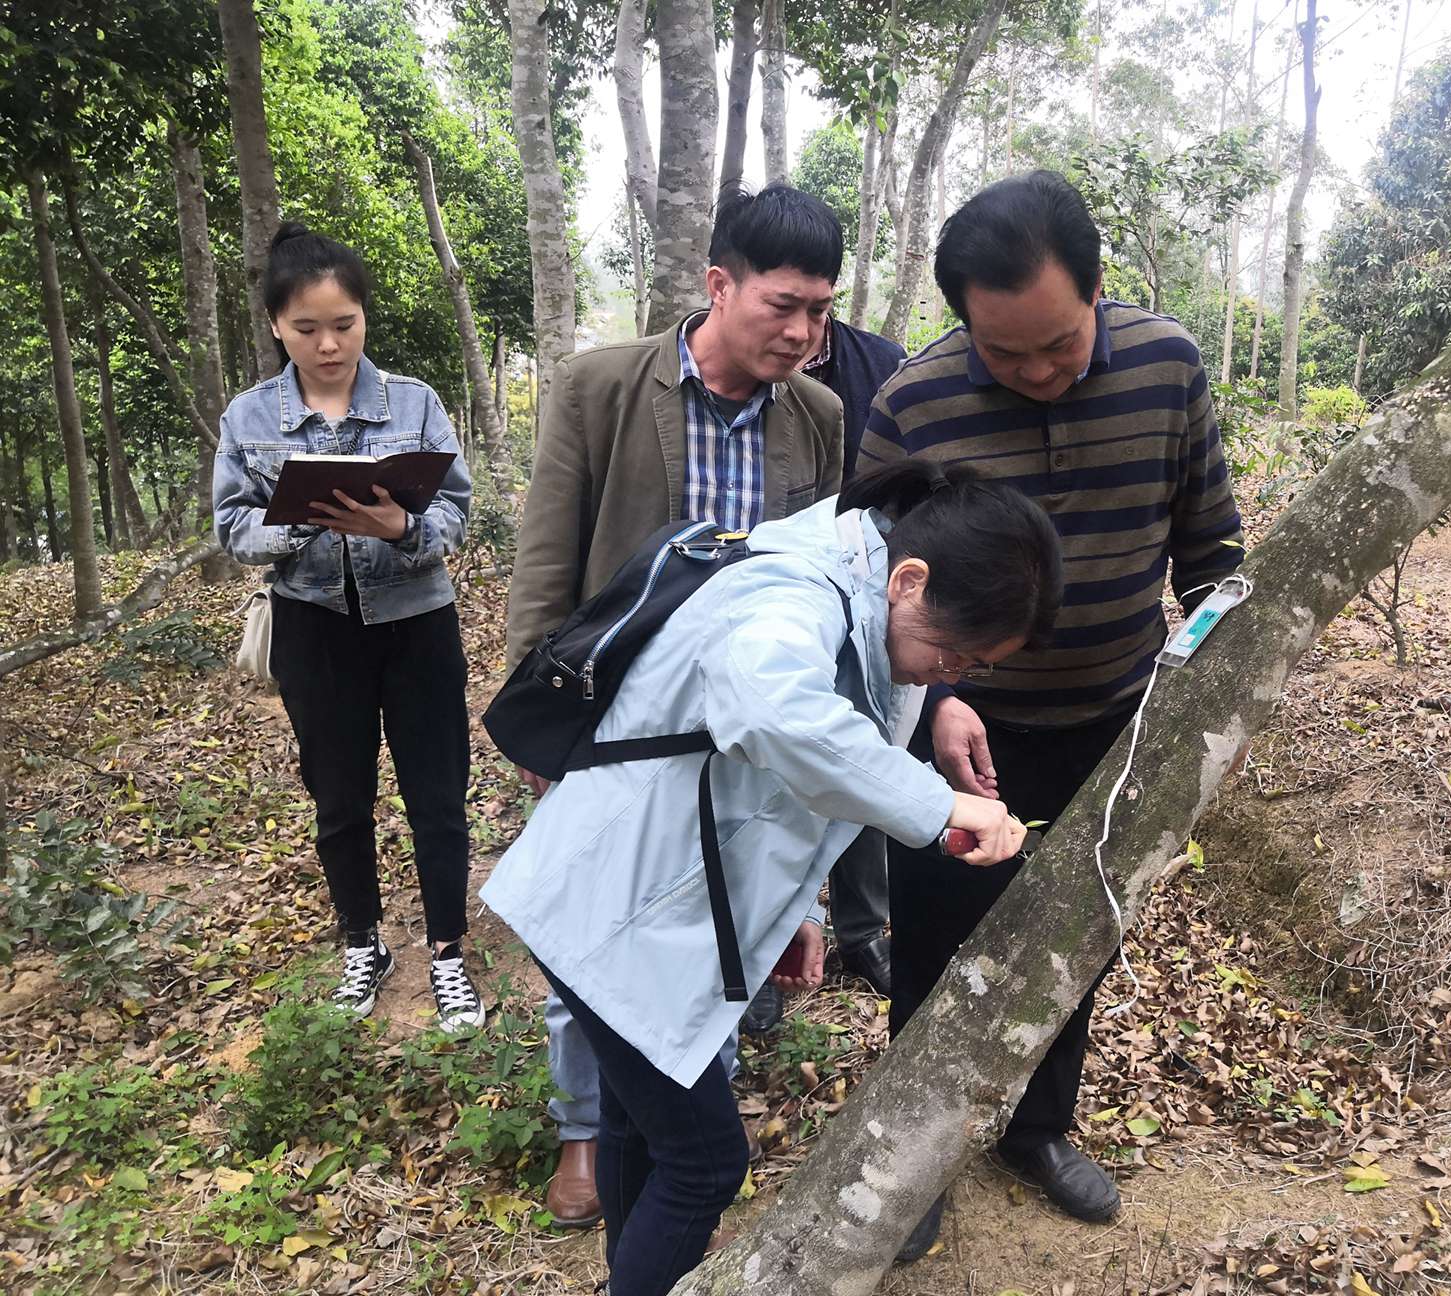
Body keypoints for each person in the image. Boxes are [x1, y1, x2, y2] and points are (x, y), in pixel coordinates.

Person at [481, 461, 1062, 1296]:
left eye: (974, 668)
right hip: (610, 908)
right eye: (954, 654)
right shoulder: (793, 585)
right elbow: (773, 711)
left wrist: (794, 909)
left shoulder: (866, 605)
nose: (950, 679)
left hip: (641, 895)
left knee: (636, 1124)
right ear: (909, 579)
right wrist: (940, 808)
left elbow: (782, 788)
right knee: (705, 1162)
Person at [857, 170, 1245, 1257]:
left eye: (1057, 347)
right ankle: (912, 1153)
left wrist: (1205, 693)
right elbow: (871, 579)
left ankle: (1036, 1128)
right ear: (960, 320)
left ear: (1098, 291)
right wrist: (935, 696)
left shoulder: (1166, 367)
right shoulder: (916, 400)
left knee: (1075, 938)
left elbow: (1215, 552)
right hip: (954, 735)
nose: (1031, 373)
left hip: (1115, 724)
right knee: (933, 944)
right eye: (1002, 352)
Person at [503, 185, 846, 1228]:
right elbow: (546, 557)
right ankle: (582, 1134)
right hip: (612, 722)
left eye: (820, 311)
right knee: (593, 938)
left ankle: (670, 1127)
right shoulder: (602, 387)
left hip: (735, 729)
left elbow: (822, 579)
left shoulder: (820, 419)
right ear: (717, 286)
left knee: (708, 930)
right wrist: (540, 721)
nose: (801, 332)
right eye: (781, 305)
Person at [212, 223, 483, 1032]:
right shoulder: (249, 418)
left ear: (364, 317)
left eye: (345, 324)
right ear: (275, 325)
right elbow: (231, 527)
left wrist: (400, 529)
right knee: (339, 797)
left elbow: (457, 512)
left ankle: (446, 948)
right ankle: (362, 941)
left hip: (416, 623)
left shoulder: (415, 404)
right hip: (314, 629)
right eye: (307, 329)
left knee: (436, 793)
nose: (328, 345)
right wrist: (303, 522)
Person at [800, 313, 908, 995]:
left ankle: (863, 929)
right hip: (784, 589)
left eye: (816, 303)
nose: (800, 326)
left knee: (863, 746)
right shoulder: (749, 369)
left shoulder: (882, 364)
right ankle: (772, 937)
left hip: (870, 589)